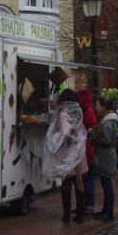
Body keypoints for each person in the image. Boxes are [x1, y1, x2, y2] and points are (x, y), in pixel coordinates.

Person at [42, 89, 88, 223]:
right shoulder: (77, 111)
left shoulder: (63, 113)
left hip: (67, 153)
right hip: (78, 151)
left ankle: (66, 215)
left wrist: (52, 142)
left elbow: (65, 133)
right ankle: (80, 215)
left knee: (66, 185)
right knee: (79, 184)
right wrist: (50, 102)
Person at [89, 96, 118, 221]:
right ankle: (105, 211)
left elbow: (107, 140)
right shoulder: (105, 119)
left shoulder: (108, 121)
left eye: (97, 105)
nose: (96, 107)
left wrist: (92, 133)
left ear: (104, 107)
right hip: (104, 156)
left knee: (107, 185)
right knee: (105, 184)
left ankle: (108, 212)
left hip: (107, 157)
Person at [77, 89, 98, 214]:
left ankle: (89, 205)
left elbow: (92, 128)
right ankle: (83, 203)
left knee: (87, 178)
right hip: (83, 150)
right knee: (83, 179)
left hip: (87, 151)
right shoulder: (83, 111)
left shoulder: (88, 111)